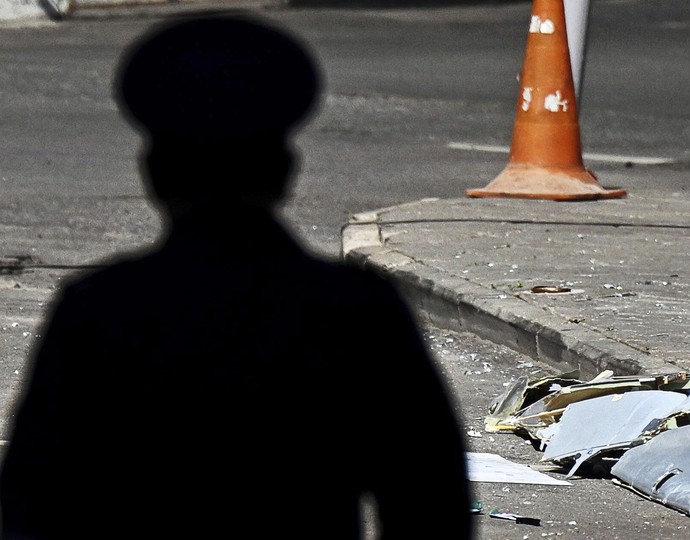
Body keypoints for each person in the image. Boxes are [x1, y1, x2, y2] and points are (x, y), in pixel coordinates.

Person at [0, 12, 474, 540]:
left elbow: (31, 503)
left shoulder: (100, 308)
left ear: (153, 172)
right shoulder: (356, 311)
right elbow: (430, 506)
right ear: (286, 170)